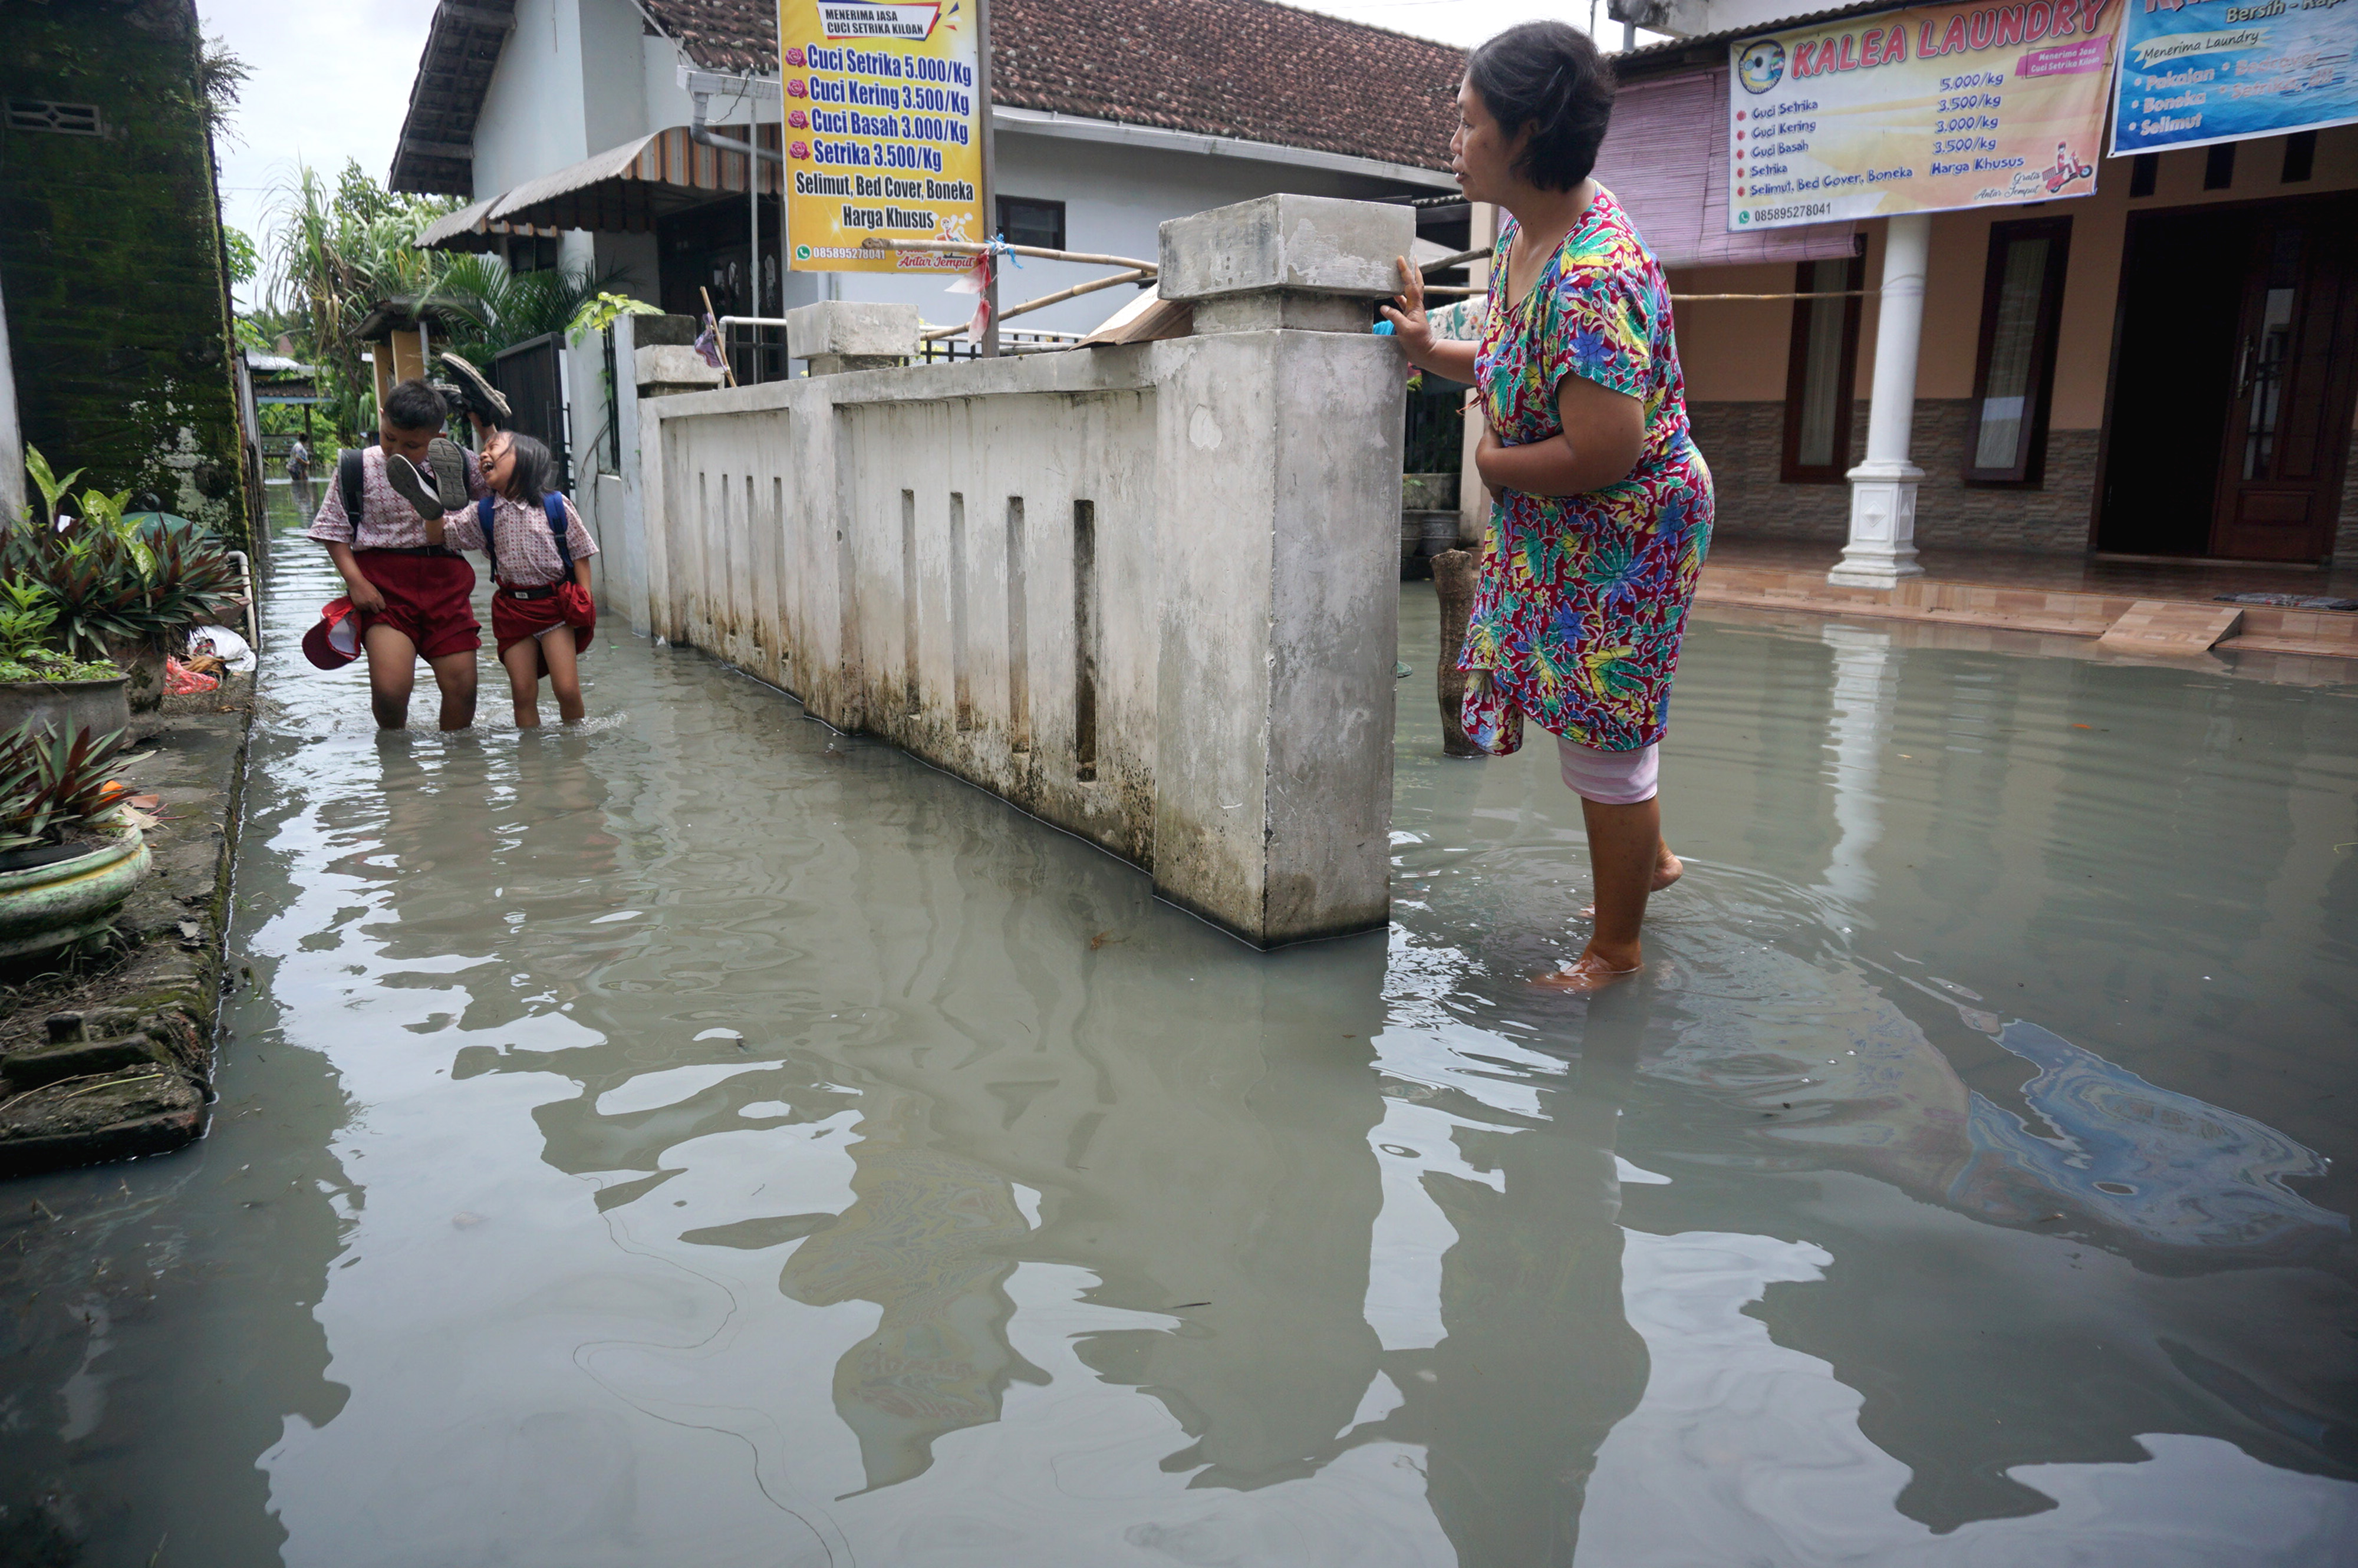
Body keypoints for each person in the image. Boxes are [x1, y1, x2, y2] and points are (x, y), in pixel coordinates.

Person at [1382, 21, 1714, 994]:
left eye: (1469, 120)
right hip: (1582, 525)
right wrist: (1425, 350)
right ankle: (1647, 860)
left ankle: (1617, 951)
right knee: (1596, 711)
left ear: (1524, 135)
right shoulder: (1536, 238)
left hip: (1628, 532)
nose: (1455, 137)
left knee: (1607, 728)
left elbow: (1604, 446)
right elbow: (1511, 358)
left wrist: (1491, 461)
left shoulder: (1591, 274)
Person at [307, 380, 487, 730]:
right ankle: (397, 770)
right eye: (389, 437)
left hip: (446, 580)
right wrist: (356, 583)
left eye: (412, 445)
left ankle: (459, 773)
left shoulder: (459, 463)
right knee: (390, 692)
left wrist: (487, 425)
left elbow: (503, 489)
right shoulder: (355, 467)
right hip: (384, 589)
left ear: (439, 438)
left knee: (463, 688)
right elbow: (333, 531)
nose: (395, 449)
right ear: (382, 417)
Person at [429, 431, 597, 727]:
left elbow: (581, 553)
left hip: (554, 609)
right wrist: (431, 506)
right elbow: (439, 535)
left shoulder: (555, 506)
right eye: (482, 451)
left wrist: (585, 598)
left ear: (525, 461)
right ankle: (530, 762)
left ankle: (574, 755)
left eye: (493, 448)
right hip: (513, 611)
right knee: (522, 694)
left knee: (567, 690)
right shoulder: (482, 512)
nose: (483, 455)